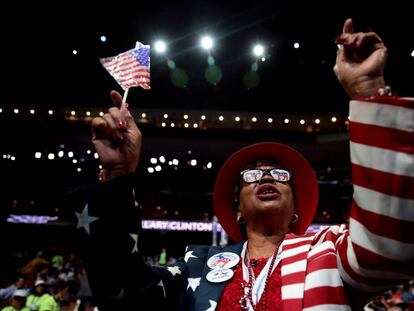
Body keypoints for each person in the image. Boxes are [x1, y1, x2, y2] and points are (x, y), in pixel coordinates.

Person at [69, 18, 414, 310]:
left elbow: (390, 249)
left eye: (279, 174)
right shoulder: (198, 266)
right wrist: (117, 175)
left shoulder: (329, 249)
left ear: (296, 206)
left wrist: (369, 93)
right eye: (254, 174)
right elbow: (126, 296)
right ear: (237, 207)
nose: (267, 176)